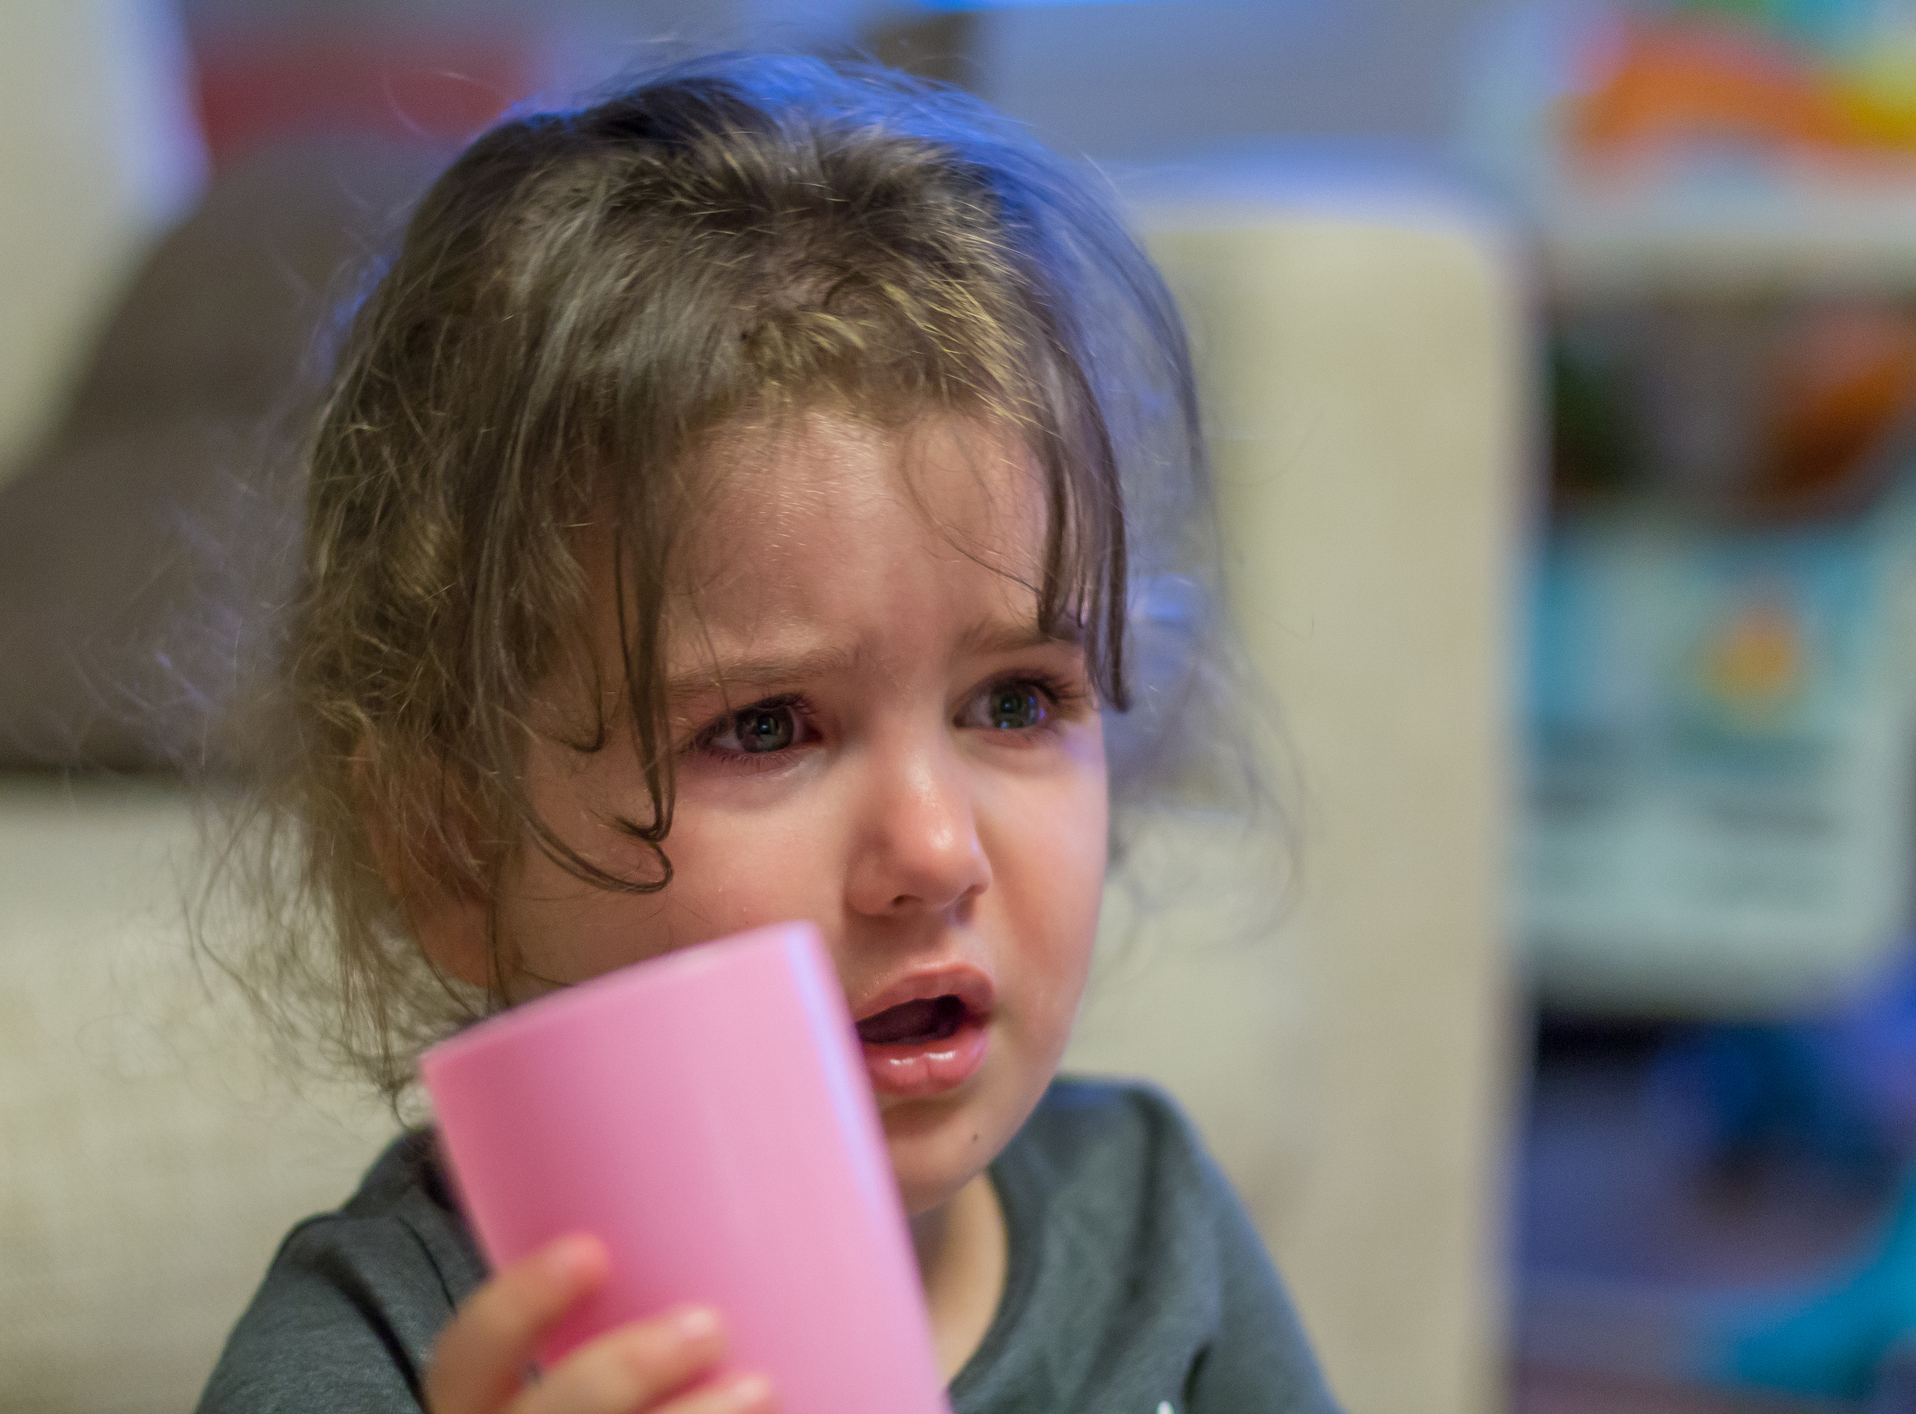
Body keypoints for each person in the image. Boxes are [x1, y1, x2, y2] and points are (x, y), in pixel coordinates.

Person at [196, 52, 1340, 1414]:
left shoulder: (1148, 1227)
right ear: (452, 847)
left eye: (1017, 701)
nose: (931, 846)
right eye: (766, 725)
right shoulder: (378, 1348)